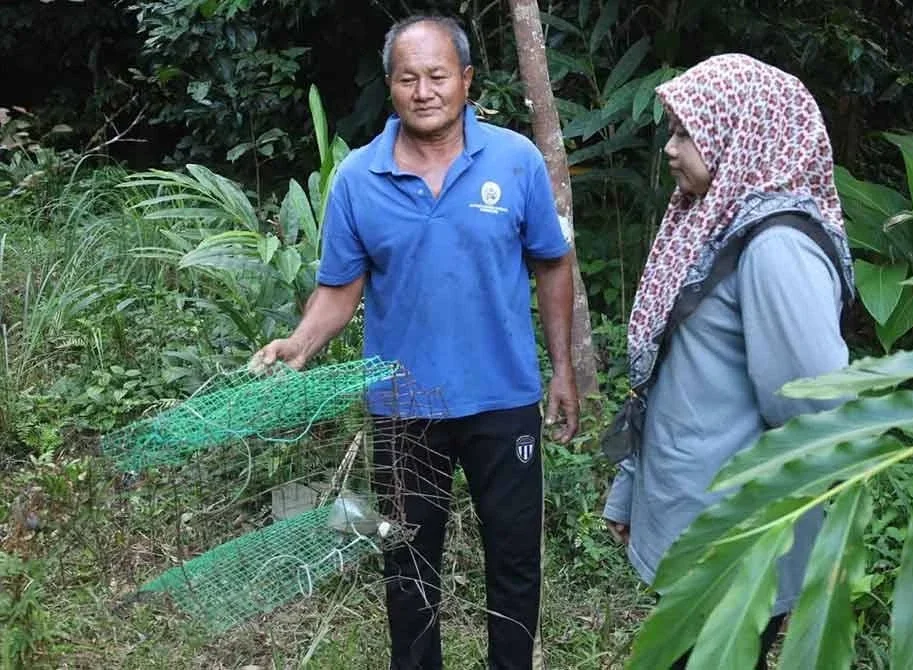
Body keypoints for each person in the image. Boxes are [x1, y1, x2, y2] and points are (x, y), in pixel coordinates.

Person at [253, 14, 578, 670]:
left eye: (437, 76)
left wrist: (563, 369)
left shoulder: (514, 161)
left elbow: (553, 262)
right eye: (408, 78)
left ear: (466, 80)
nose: (424, 90)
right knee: (407, 571)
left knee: (515, 566)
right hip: (403, 411)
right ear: (390, 86)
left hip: (502, 400)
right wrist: (301, 343)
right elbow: (339, 291)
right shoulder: (358, 180)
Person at [602, 54, 855, 668]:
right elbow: (677, 374)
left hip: (734, 535)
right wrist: (632, 489)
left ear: (742, 134)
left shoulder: (775, 249)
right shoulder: (712, 219)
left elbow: (813, 403)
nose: (670, 147)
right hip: (694, 517)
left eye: (686, 132)